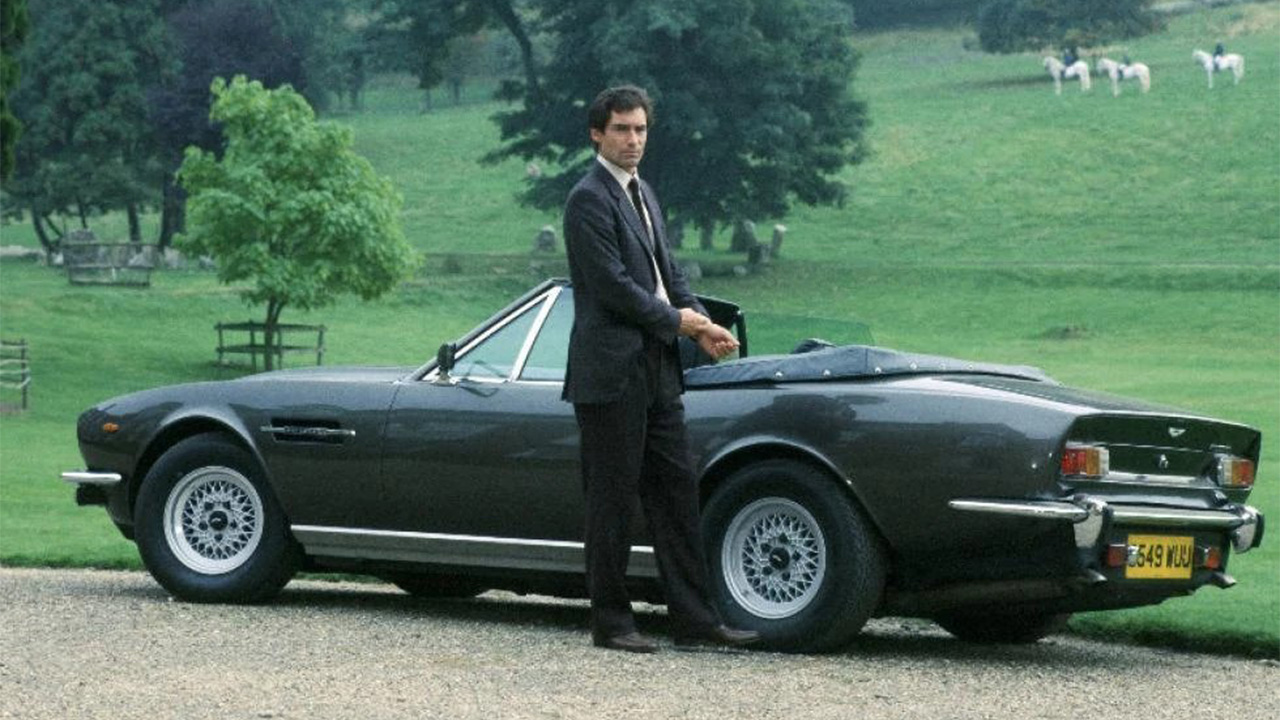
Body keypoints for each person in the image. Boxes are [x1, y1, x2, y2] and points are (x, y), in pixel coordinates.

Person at [561, 85, 760, 654]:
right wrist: (682, 322)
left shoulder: (643, 191)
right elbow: (614, 288)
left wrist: (702, 322)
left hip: (657, 367)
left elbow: (668, 274)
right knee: (612, 500)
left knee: (676, 494)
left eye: (641, 129)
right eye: (622, 129)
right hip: (610, 373)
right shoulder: (587, 199)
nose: (634, 140)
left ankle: (695, 621)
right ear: (597, 134)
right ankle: (612, 622)